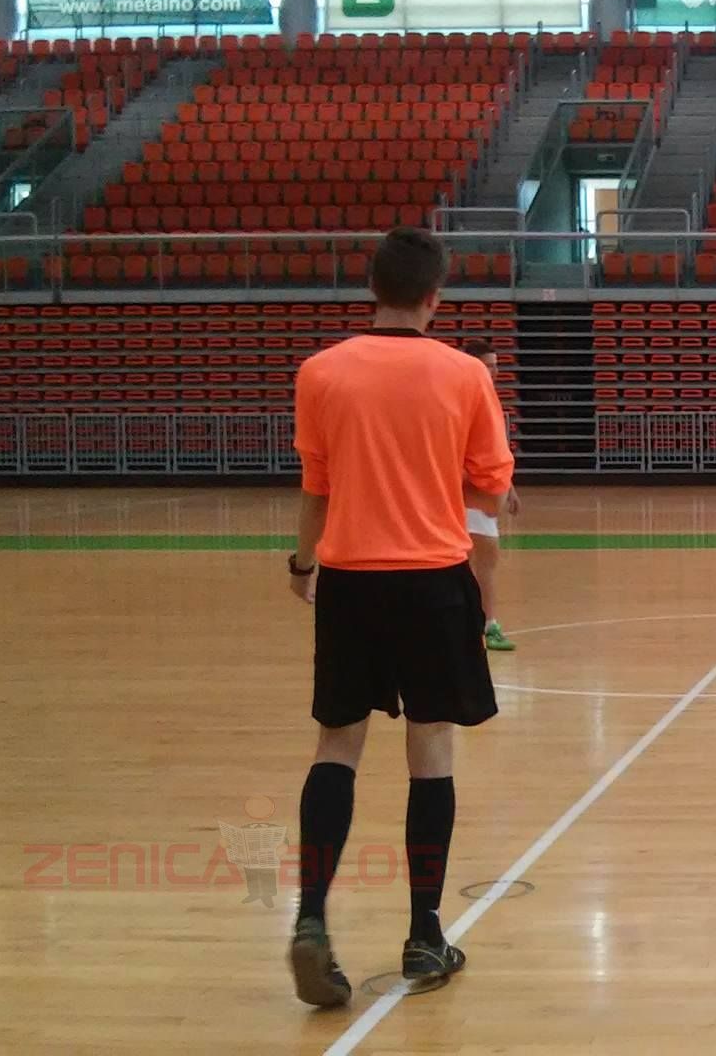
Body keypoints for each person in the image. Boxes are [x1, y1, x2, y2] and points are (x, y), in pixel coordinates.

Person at [285, 226, 514, 1007]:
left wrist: (303, 564)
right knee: (431, 749)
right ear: (434, 296)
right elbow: (491, 489)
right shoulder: (464, 374)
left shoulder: (320, 372)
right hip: (433, 580)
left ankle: (310, 918)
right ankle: (423, 933)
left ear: (372, 288)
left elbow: (316, 485)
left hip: (349, 579)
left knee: (337, 745)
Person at [461, 337, 521, 651]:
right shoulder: (462, 401)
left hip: (487, 495)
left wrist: (508, 487)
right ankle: (482, 624)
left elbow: (496, 453)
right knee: (472, 563)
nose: (494, 372)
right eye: (487, 366)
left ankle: (485, 624)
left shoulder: (490, 401)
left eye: (496, 366)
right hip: (467, 496)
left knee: (485, 563)